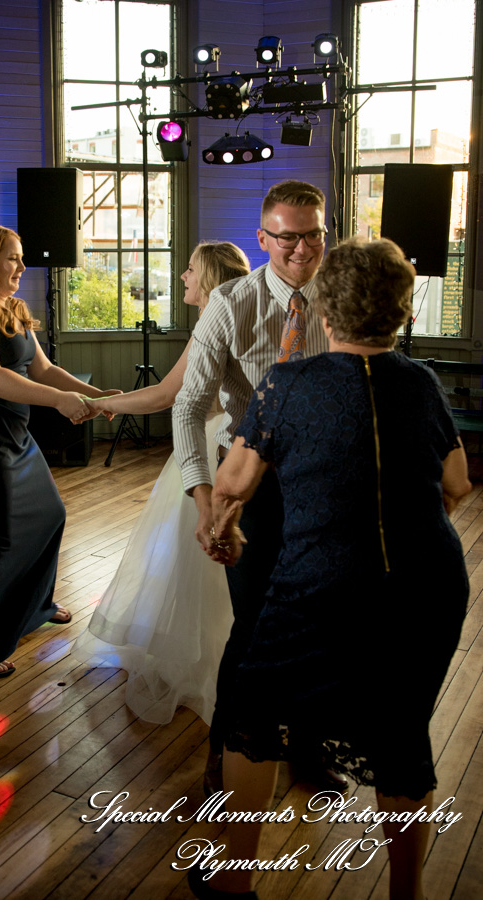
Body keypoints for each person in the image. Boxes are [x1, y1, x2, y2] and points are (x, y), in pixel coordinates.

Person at [196, 237, 471, 900]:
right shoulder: (421, 383)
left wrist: (221, 522)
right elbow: (457, 483)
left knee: (250, 713)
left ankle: (233, 881)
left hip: (319, 580)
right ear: (400, 313)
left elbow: (233, 481)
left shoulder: (287, 384)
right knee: (401, 733)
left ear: (323, 309)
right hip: (428, 584)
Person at [172, 181, 333, 793]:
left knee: (318, 620)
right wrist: (205, 500)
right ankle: (229, 749)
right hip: (251, 484)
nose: (301, 248)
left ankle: (309, 749)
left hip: (321, 483)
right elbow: (188, 407)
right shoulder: (231, 304)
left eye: (312, 234)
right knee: (258, 622)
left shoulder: (338, 299)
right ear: (263, 239)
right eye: (287, 236)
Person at [71, 242, 250, 726]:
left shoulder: (218, 318)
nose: (184, 277)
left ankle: (216, 669)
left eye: (190, 269)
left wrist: (102, 405)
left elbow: (167, 397)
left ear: (210, 278)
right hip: (224, 445)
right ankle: (218, 656)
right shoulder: (245, 314)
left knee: (205, 565)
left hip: (215, 453)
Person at [0, 224, 119, 678]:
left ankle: (34, 607)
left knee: (49, 515)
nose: (22, 266)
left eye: (20, 257)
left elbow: (43, 368)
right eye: (13, 258)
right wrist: (60, 403)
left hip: (13, 433)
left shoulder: (11, 307)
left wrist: (94, 397)